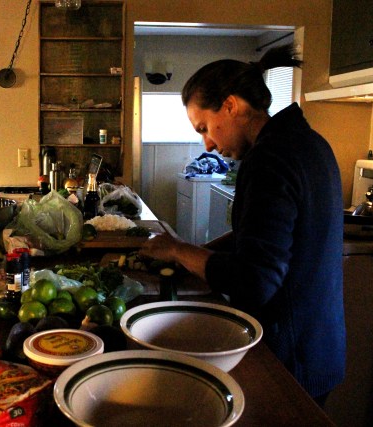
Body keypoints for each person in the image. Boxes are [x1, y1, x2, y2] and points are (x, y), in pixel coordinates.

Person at [139, 44, 345, 407]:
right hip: (319, 343)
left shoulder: (269, 159)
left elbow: (255, 280)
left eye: (205, 128)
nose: (208, 144)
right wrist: (195, 253)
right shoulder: (308, 143)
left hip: (288, 358)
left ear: (231, 105)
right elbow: (262, 237)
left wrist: (177, 250)